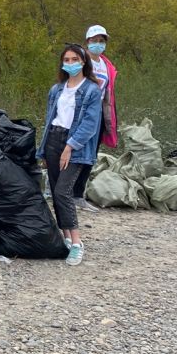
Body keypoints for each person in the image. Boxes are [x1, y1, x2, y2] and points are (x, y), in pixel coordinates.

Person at [38, 44, 102, 267]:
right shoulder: (57, 89)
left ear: (84, 62)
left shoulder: (92, 90)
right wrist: (44, 148)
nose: (71, 63)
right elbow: (49, 119)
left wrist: (69, 147)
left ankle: (76, 242)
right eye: (67, 59)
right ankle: (65, 238)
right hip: (53, 140)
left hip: (75, 145)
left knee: (63, 191)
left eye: (75, 59)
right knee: (55, 193)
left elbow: (90, 124)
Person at [73, 24, 119, 213]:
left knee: (90, 155)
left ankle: (78, 194)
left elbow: (108, 92)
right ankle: (63, 192)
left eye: (101, 41)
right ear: (87, 42)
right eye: (94, 41)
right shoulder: (80, 61)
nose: (98, 44)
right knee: (73, 149)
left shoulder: (106, 65)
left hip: (98, 113)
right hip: (79, 112)